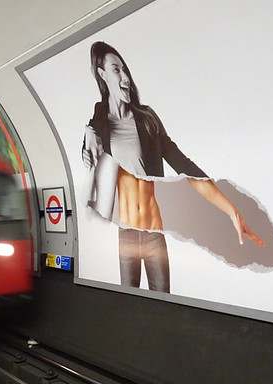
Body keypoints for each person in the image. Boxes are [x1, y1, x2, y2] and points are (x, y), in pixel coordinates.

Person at [82, 41, 263, 293]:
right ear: (102, 75)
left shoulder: (146, 119)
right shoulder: (101, 125)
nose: (124, 76)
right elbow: (97, 118)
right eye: (116, 69)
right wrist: (88, 130)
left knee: (163, 307)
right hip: (126, 236)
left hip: (154, 233)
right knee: (129, 308)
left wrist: (231, 209)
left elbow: (185, 166)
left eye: (125, 69)